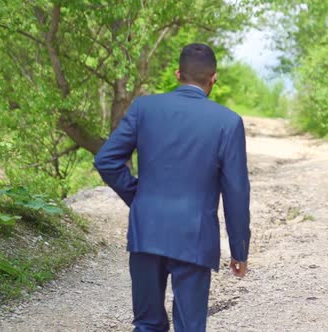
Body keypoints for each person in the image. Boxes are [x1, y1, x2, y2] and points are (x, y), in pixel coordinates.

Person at [94, 43, 251, 332]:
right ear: (213, 77)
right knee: (190, 326)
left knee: (147, 324)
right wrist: (239, 249)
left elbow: (106, 160)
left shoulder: (144, 108)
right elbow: (236, 192)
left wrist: (137, 196)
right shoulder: (228, 122)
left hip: (146, 231)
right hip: (195, 237)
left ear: (178, 74)